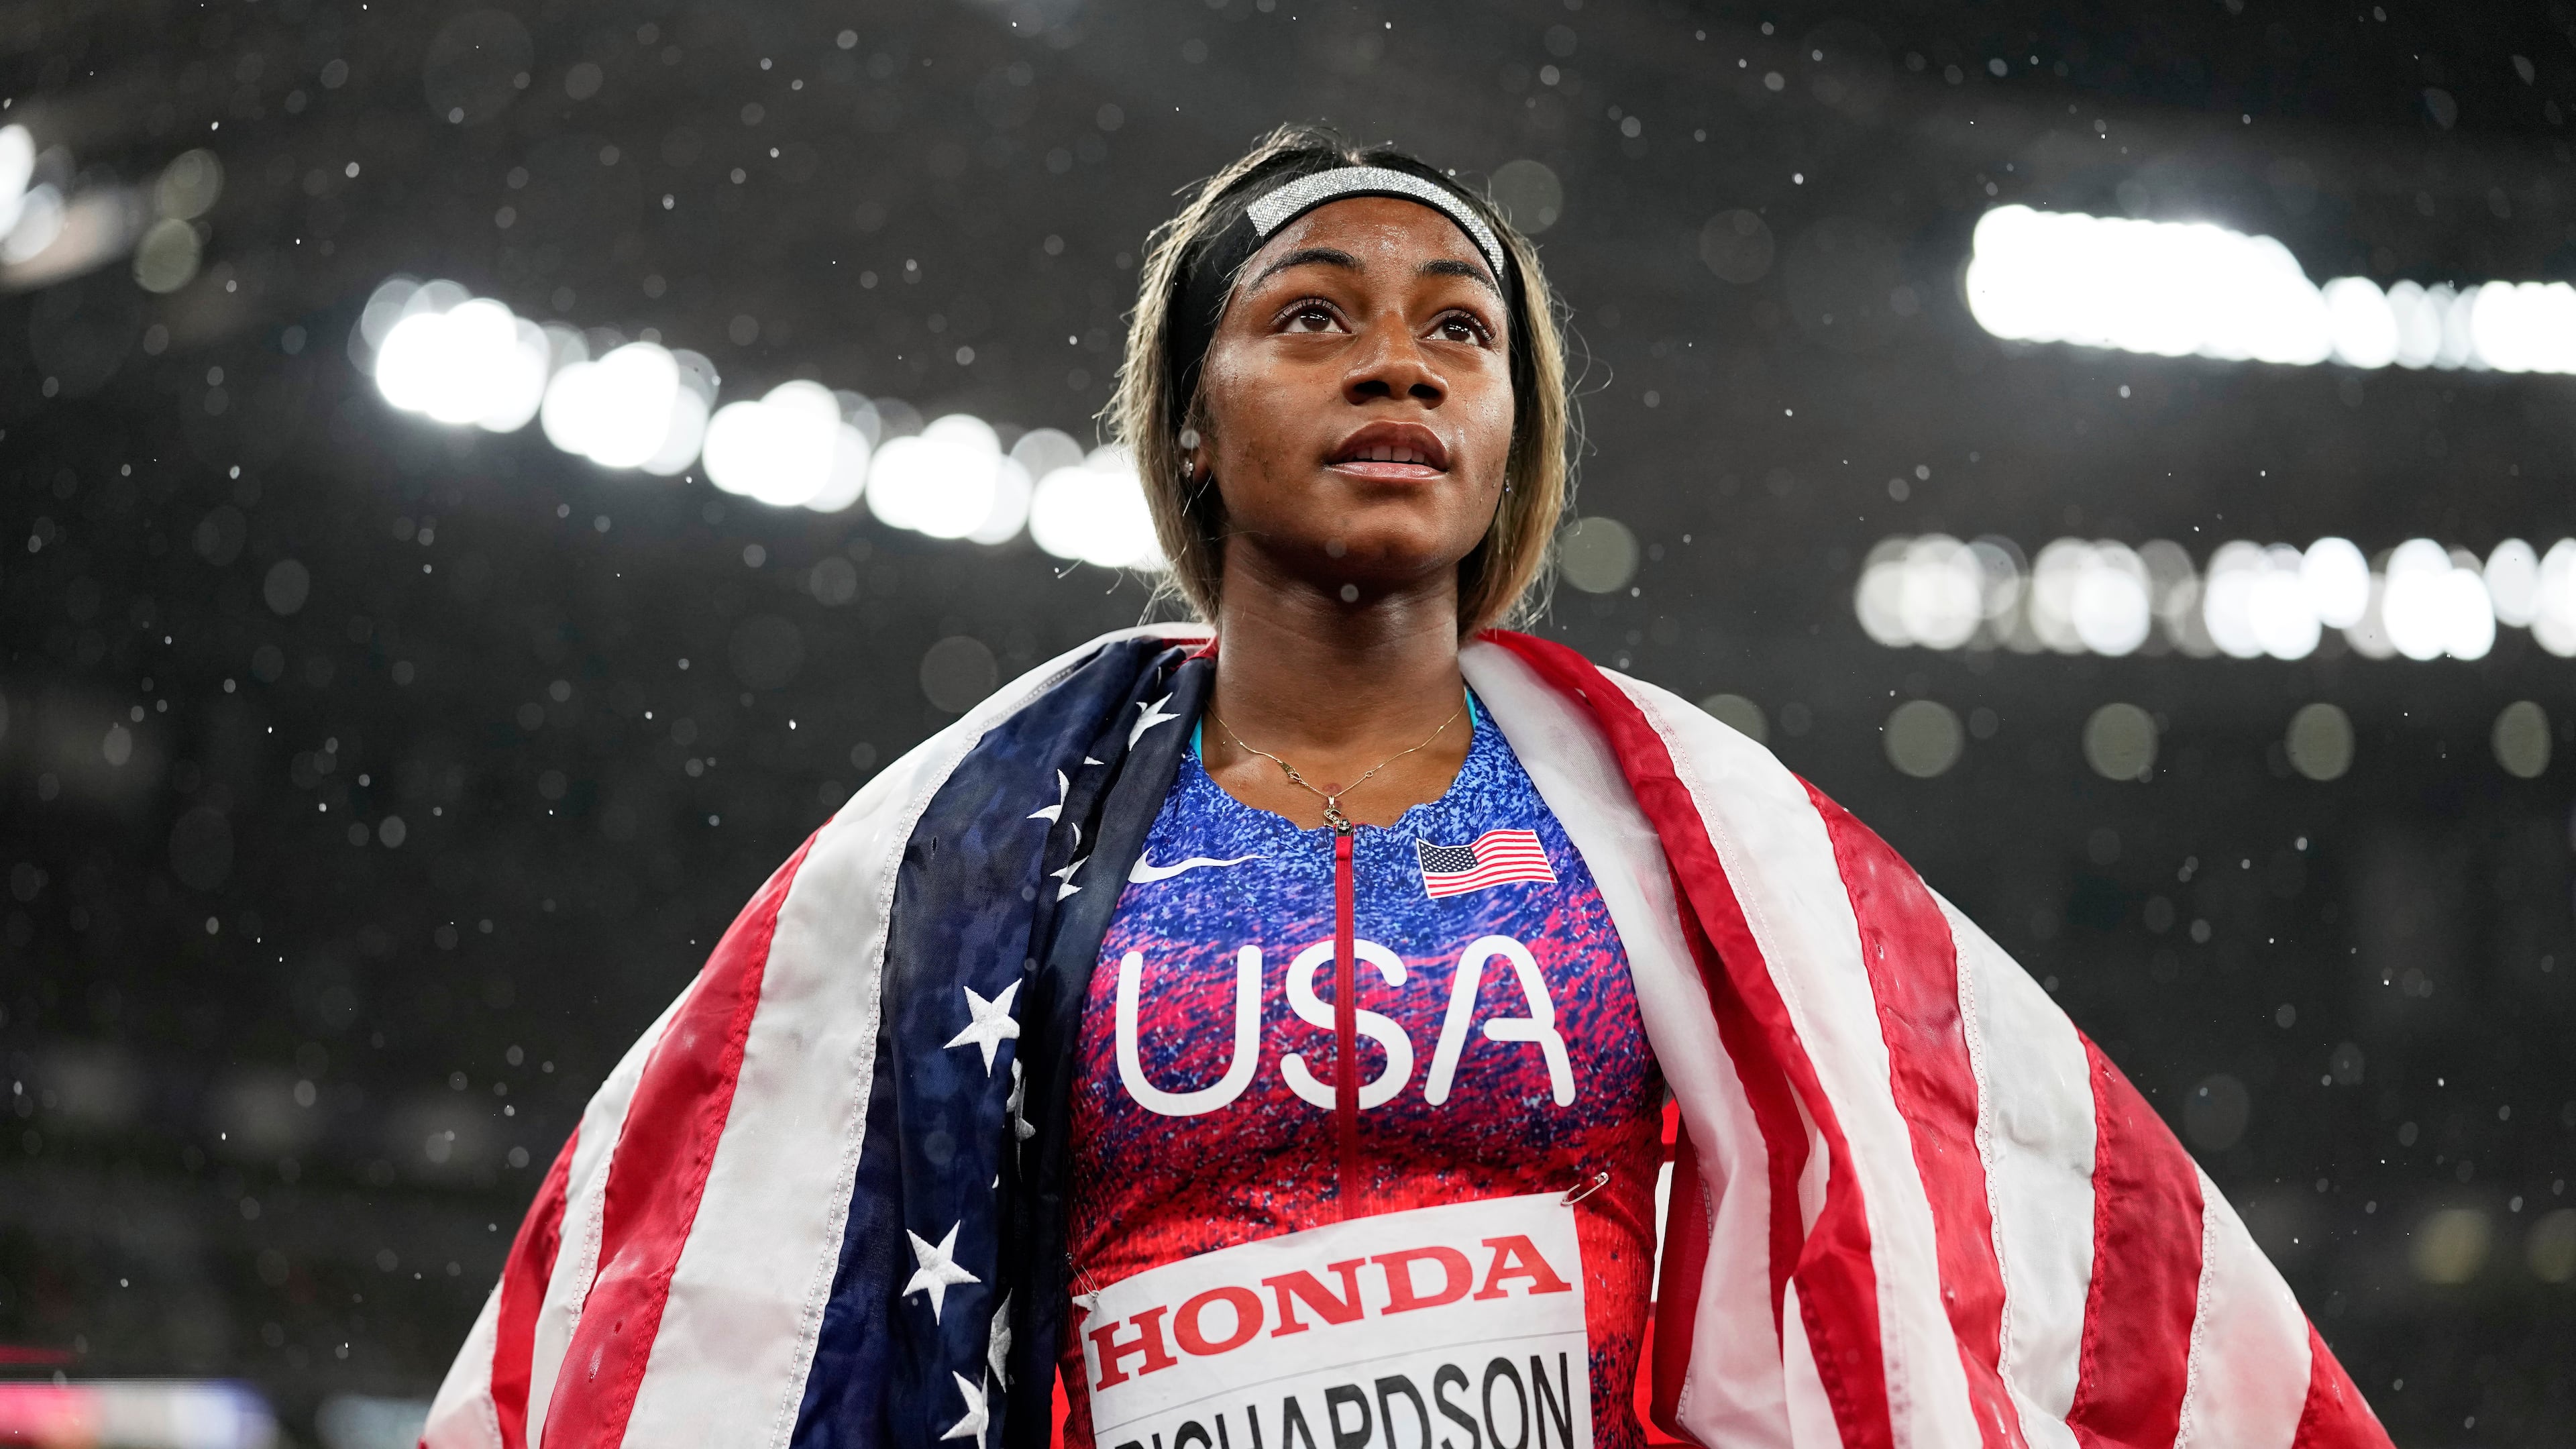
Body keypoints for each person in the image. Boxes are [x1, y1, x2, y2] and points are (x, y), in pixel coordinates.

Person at [425, 125, 2390, 1449]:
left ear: (1514, 430)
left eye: (1460, 328)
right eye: (1313, 318)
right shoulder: (974, 853)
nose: (1401, 365)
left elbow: (2005, 1214)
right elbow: (722, 1259)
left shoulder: (1693, 845)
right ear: (1191, 428)